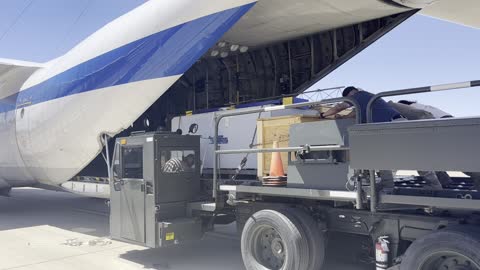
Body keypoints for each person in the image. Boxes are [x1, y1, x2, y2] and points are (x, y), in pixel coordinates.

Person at [321, 86, 405, 189]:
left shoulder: (359, 96)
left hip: (390, 125)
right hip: (398, 123)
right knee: (411, 154)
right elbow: (354, 113)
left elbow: (339, 107)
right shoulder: (367, 98)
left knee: (379, 153)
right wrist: (343, 118)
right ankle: (430, 181)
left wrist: (323, 115)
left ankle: (387, 183)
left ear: (350, 95)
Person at [395, 100, 480, 190]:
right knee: (455, 158)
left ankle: (436, 184)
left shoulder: (403, 107)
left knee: (419, 155)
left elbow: (424, 117)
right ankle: (445, 181)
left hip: (440, 125)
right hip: (452, 123)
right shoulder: (421, 106)